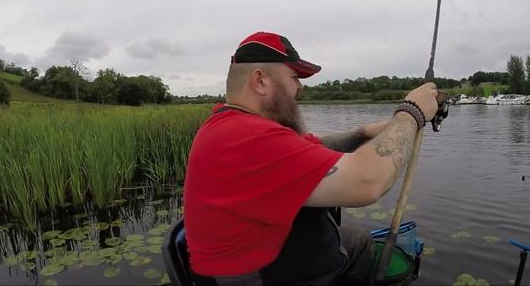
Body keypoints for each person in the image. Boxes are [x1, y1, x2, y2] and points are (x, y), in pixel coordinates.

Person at [183, 31, 438, 286]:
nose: (300, 87)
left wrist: (366, 132)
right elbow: (368, 182)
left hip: (267, 256)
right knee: (360, 246)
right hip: (258, 276)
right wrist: (411, 112)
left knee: (355, 239)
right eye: (294, 78)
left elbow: (313, 146)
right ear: (260, 81)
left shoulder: (231, 125)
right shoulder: (246, 137)